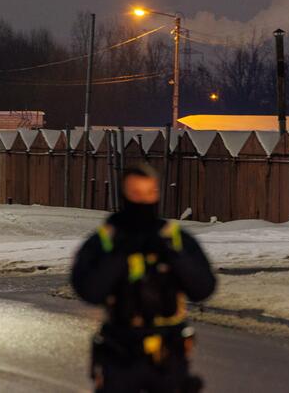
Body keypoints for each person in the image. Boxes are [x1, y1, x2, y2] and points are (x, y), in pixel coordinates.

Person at [71, 164, 217, 393]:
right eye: (136, 194)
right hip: (120, 350)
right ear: (123, 195)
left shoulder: (175, 238)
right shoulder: (104, 240)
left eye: (150, 193)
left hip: (168, 352)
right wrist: (120, 255)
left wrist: (172, 255)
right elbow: (90, 291)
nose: (144, 201)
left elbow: (203, 289)